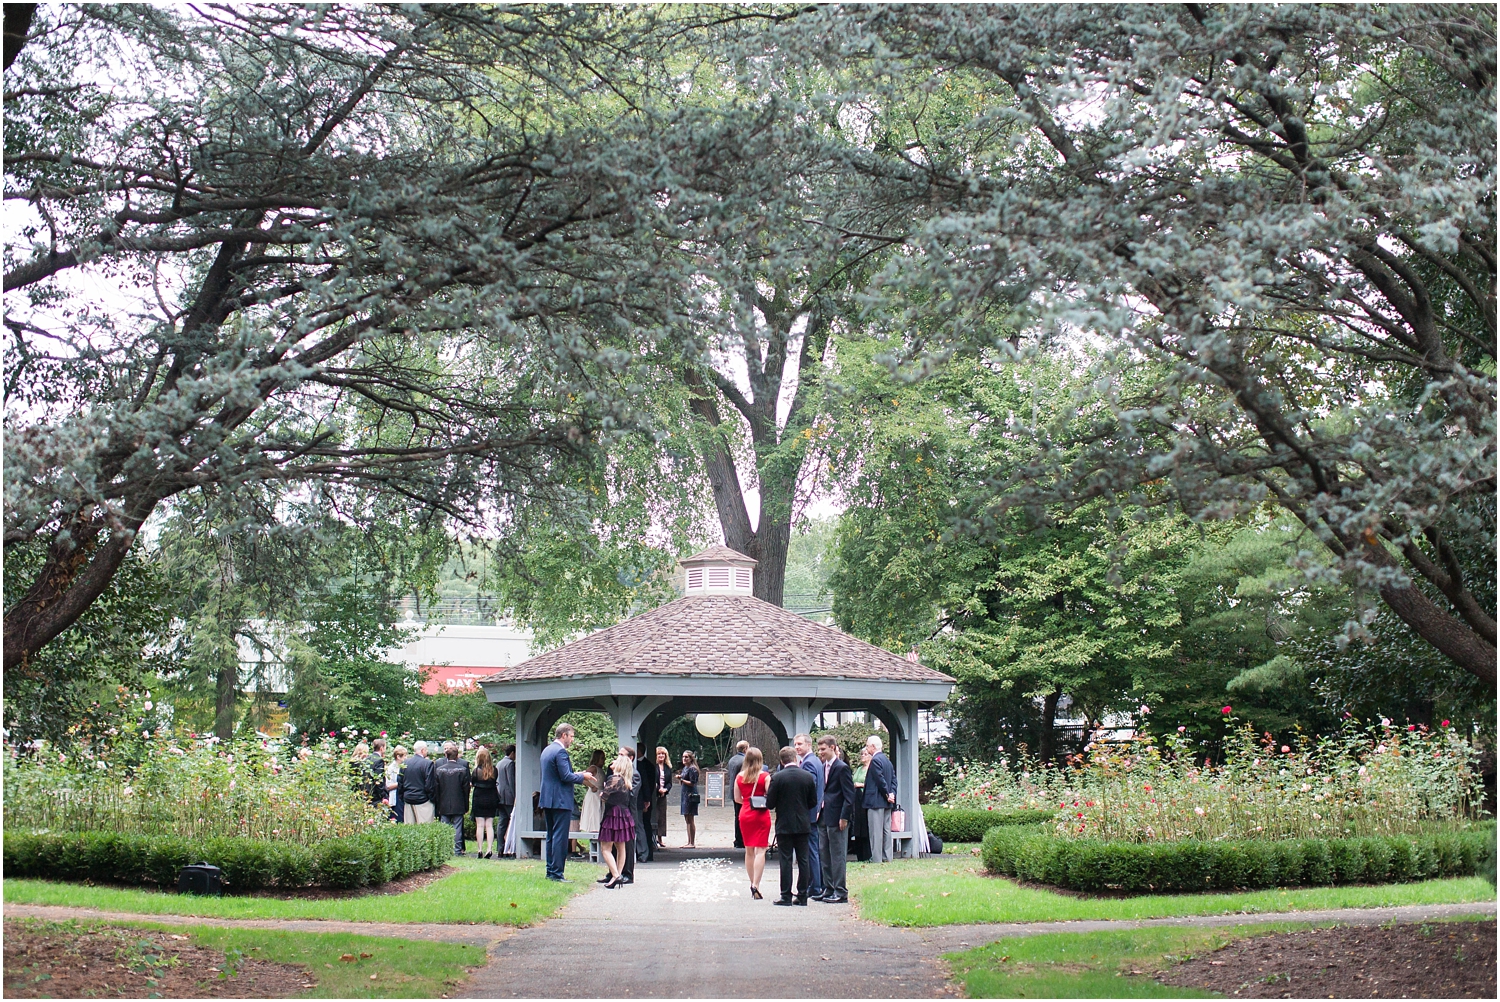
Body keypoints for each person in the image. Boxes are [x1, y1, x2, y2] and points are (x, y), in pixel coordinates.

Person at [764, 746, 817, 905]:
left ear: (781, 760)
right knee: (803, 859)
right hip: (802, 823)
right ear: (796, 758)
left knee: (785, 859)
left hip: (784, 824)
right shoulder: (807, 777)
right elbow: (813, 801)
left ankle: (785, 895)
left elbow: (770, 804)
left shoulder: (777, 778)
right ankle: (802, 895)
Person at [539, 722, 587, 881]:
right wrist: (583, 776)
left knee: (551, 836)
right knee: (560, 837)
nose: (572, 740)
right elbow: (566, 776)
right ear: (564, 735)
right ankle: (557, 873)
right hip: (560, 800)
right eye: (571, 736)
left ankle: (550, 871)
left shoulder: (547, 750)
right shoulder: (560, 752)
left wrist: (577, 773)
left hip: (548, 799)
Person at [814, 734, 856, 902]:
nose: (820, 752)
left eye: (823, 749)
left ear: (832, 748)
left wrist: (844, 817)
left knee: (837, 855)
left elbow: (849, 795)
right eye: (819, 749)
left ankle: (840, 891)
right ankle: (828, 888)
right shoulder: (823, 766)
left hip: (838, 816)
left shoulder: (841, 768)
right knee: (824, 853)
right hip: (823, 815)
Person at [595, 754, 637, 888]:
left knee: (605, 848)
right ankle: (617, 876)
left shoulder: (613, 779)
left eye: (616, 760)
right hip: (624, 814)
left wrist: (603, 791)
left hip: (613, 814)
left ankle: (616, 875)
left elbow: (604, 797)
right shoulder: (626, 780)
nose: (613, 761)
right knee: (621, 847)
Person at [735, 746, 771, 899]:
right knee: (761, 850)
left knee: (749, 850)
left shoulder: (740, 777)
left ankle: (751, 883)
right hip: (761, 814)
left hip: (745, 813)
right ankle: (756, 884)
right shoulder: (765, 777)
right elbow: (770, 796)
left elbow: (737, 798)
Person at [793, 733, 826, 898]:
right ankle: (816, 884)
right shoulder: (815, 761)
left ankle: (815, 886)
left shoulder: (809, 763)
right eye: (795, 744)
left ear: (808, 745)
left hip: (809, 813)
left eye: (800, 744)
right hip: (813, 811)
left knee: (811, 850)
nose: (797, 747)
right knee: (813, 849)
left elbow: (809, 788)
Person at [863, 735, 897, 863]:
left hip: (876, 801)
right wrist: (892, 793)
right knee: (886, 830)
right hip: (887, 802)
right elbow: (894, 780)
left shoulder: (875, 760)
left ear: (873, 746)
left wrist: (887, 794)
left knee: (875, 832)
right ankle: (887, 857)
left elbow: (879, 780)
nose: (866, 749)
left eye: (867, 746)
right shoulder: (887, 761)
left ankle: (877, 859)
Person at [434, 740, 471, 855]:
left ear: (446, 755)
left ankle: (445, 850)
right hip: (458, 803)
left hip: (443, 803)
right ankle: (457, 850)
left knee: (444, 827)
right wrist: (466, 805)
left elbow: (436, 789)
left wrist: (438, 804)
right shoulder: (462, 770)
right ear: (457, 756)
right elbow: (466, 790)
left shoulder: (439, 770)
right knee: (458, 827)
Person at [471, 745, 501, 859]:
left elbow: (472, 782)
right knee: (489, 825)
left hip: (479, 798)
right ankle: (489, 849)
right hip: (491, 798)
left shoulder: (475, 771)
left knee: (480, 825)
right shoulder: (494, 771)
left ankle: (479, 849)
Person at [400, 740, 438, 824]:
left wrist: (403, 796)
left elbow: (400, 782)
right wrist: (432, 799)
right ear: (423, 750)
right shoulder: (428, 764)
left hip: (408, 799)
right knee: (425, 829)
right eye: (426, 750)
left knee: (409, 829)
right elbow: (430, 784)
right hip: (423, 800)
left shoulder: (405, 763)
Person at [620, 746, 642, 883]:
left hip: (628, 814)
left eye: (622, 755)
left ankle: (628, 874)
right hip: (616, 813)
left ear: (630, 758)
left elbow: (631, 795)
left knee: (628, 845)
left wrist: (615, 788)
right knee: (616, 844)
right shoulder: (617, 772)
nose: (619, 757)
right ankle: (614, 873)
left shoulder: (634, 774)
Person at [725, 740, 748, 849]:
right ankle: (741, 839)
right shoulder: (744, 760)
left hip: (732, 791)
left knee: (737, 816)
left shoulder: (732, 760)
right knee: (742, 816)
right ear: (745, 749)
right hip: (741, 792)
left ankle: (737, 839)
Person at [850, 745, 872, 862]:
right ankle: (859, 854)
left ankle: (868, 854)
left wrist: (861, 785)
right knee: (857, 826)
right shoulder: (859, 769)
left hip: (866, 799)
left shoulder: (872, 768)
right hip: (856, 800)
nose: (862, 756)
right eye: (861, 754)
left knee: (866, 826)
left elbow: (872, 783)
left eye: (865, 754)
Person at [636, 744, 657, 861]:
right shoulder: (647, 764)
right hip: (643, 800)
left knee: (644, 826)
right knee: (641, 826)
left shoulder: (648, 766)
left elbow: (649, 785)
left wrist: (646, 800)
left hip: (644, 801)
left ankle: (647, 852)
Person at [580, 749, 606, 838]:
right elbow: (583, 779)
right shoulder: (593, 768)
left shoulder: (600, 770)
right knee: (593, 814)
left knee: (600, 814)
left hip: (600, 794)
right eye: (602, 758)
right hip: (594, 794)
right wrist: (592, 786)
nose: (604, 760)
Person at [496, 744, 516, 856]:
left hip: (500, 797)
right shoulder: (510, 764)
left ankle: (500, 847)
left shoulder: (499, 763)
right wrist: (515, 796)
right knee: (513, 821)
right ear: (512, 753)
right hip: (509, 797)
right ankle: (512, 847)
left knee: (502, 822)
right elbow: (511, 781)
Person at [678, 750, 699, 848]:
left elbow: (692, 782)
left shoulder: (692, 769)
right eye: (683, 757)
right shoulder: (685, 768)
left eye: (686, 757)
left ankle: (692, 842)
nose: (684, 759)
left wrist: (682, 780)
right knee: (687, 818)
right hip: (685, 794)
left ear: (691, 758)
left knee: (690, 818)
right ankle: (689, 841)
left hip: (690, 795)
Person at [652, 747, 673, 849]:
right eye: (659, 754)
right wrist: (658, 789)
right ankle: (654, 838)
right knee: (654, 815)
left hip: (663, 795)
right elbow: (652, 780)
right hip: (655, 794)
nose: (661, 756)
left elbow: (670, 783)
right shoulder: (654, 767)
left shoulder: (668, 767)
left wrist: (665, 789)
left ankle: (660, 838)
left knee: (662, 816)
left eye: (663, 754)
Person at [388, 745, 407, 823]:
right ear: (398, 756)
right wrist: (400, 783)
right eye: (405, 756)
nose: (406, 758)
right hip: (395, 797)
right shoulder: (391, 768)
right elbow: (388, 786)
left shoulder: (404, 767)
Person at [367, 739, 387, 808]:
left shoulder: (367, 758)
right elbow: (379, 780)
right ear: (381, 748)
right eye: (385, 748)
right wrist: (383, 795)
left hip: (367, 794)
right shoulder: (379, 760)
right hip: (375, 796)